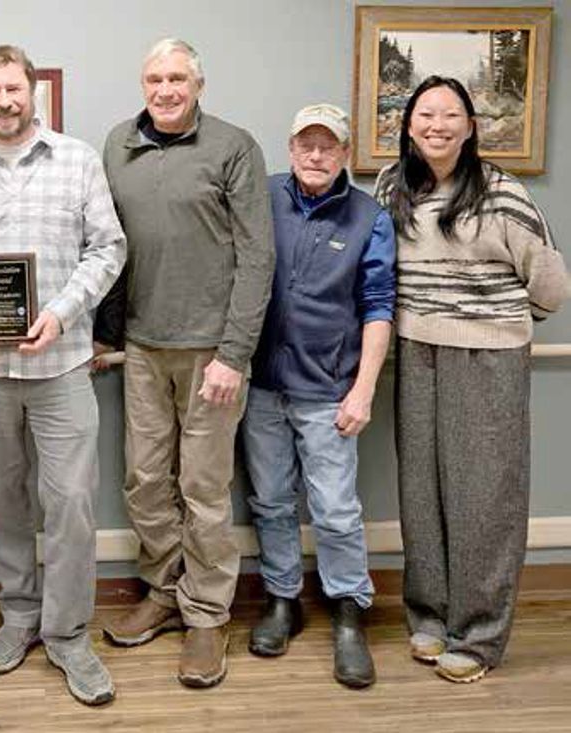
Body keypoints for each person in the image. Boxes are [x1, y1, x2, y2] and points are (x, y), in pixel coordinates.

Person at [0, 44, 125, 706]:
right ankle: (19, 616)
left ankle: (67, 634)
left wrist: (62, 315)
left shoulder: (78, 159)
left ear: (32, 92)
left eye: (13, 88)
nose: (3, 100)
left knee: (70, 502)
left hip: (61, 364)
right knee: (0, 499)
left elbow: (109, 247)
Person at [375, 76, 568, 684]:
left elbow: (552, 288)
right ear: (408, 125)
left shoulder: (503, 194)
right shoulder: (390, 187)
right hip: (414, 351)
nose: (437, 124)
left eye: (451, 114)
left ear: (470, 126)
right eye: (425, 114)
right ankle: (430, 618)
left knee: (483, 499)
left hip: (487, 358)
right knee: (422, 494)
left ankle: (479, 635)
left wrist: (495, 319)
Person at [95, 38, 273, 688]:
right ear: (142, 84)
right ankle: (166, 592)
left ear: (198, 83)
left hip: (211, 354)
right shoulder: (119, 144)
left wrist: (234, 353)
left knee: (201, 488)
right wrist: (102, 333)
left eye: (177, 78)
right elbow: (109, 244)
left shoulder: (233, 147)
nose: (165, 89)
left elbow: (258, 258)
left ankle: (206, 614)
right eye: (154, 78)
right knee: (144, 480)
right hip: (141, 346)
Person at [241, 103, 395, 689]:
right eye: (306, 144)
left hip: (329, 390)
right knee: (272, 501)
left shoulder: (368, 218)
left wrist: (363, 389)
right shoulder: (263, 197)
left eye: (327, 146)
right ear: (290, 148)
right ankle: (283, 600)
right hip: (259, 387)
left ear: (345, 155)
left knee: (334, 508)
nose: (315, 155)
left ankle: (350, 610)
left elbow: (378, 306)